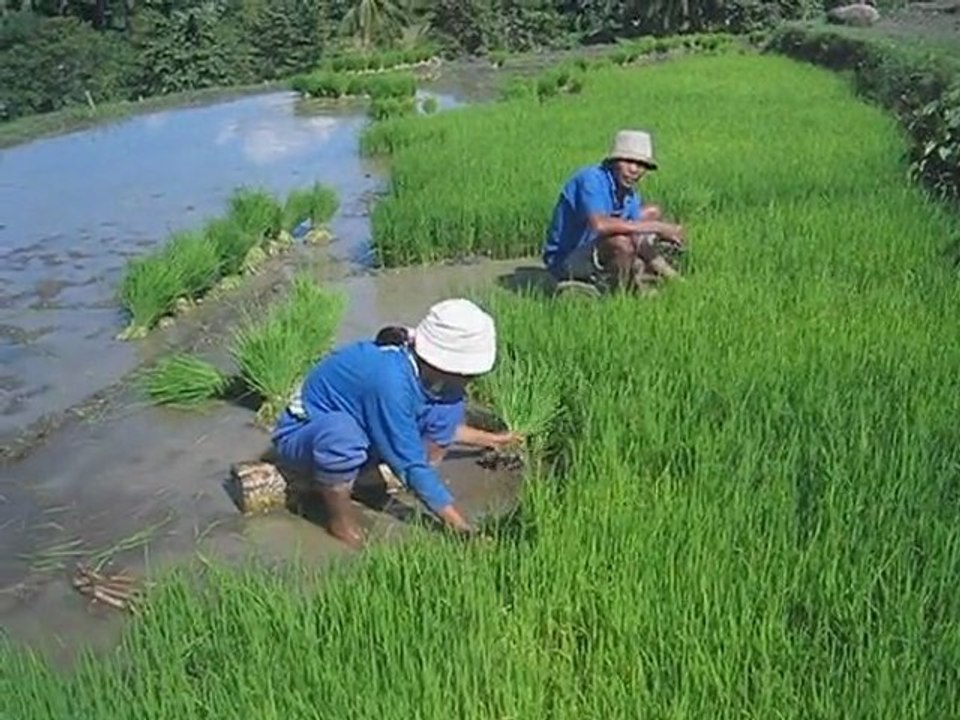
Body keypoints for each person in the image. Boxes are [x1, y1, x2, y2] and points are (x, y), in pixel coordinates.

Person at [270, 299, 511, 549]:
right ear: (441, 363)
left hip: (368, 430)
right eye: (466, 373)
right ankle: (341, 523)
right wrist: (461, 528)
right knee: (343, 435)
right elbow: (408, 460)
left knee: (445, 412)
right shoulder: (389, 379)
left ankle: (376, 482)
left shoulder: (439, 382)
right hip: (304, 433)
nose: (469, 380)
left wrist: (493, 440)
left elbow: (443, 430)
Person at [542, 129, 687, 293]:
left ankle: (631, 278)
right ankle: (619, 294)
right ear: (614, 161)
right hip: (566, 258)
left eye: (641, 165)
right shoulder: (590, 179)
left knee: (643, 226)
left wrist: (674, 277)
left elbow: (638, 240)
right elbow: (600, 225)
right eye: (628, 161)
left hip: (594, 248)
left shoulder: (630, 194)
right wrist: (659, 227)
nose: (634, 169)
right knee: (621, 243)